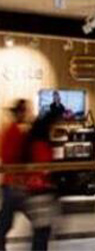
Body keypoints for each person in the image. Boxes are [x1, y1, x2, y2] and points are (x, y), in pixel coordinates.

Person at [22, 110, 62, 251]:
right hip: (40, 191)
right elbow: (44, 168)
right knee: (42, 233)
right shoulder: (41, 145)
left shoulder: (32, 142)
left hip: (34, 191)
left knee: (40, 232)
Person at [0, 99, 28, 251]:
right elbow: (13, 156)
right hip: (15, 183)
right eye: (23, 111)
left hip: (11, 183)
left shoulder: (10, 130)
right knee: (6, 221)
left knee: (6, 220)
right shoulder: (15, 132)